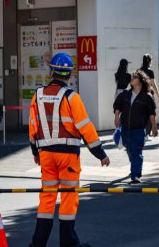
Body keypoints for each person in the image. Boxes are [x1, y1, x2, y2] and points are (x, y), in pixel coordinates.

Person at [29, 52, 110, 247]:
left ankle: (38, 244)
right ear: (69, 74)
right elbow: (85, 128)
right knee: (68, 199)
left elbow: (33, 127)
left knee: (47, 199)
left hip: (46, 155)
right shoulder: (71, 97)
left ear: (51, 71)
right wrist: (100, 154)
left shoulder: (37, 95)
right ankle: (68, 244)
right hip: (67, 157)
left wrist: (35, 152)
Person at [113, 70, 158, 184]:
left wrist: (154, 127)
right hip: (126, 129)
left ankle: (136, 175)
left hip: (139, 130)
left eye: (134, 77)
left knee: (137, 152)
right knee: (129, 150)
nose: (132, 79)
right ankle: (134, 168)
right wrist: (117, 117)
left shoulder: (147, 97)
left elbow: (151, 113)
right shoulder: (125, 94)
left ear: (141, 81)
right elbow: (117, 106)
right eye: (132, 77)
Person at [138, 54, 159, 141]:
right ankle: (146, 135)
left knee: (141, 115)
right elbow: (153, 85)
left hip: (140, 95)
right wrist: (158, 94)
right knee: (150, 115)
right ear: (149, 61)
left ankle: (141, 134)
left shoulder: (138, 71)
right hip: (148, 95)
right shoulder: (150, 72)